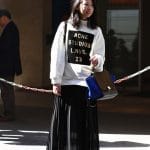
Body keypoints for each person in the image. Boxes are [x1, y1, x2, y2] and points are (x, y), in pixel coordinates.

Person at [47, 0, 105, 149]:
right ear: (77, 5)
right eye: (85, 4)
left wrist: (97, 60)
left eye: (91, 5)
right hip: (67, 85)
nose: (88, 8)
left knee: (84, 128)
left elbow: (100, 55)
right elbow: (57, 55)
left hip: (87, 87)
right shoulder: (65, 26)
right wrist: (56, 80)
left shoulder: (96, 30)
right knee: (66, 129)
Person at [0, 9, 22, 121]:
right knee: (6, 90)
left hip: (7, 66)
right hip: (7, 65)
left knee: (7, 90)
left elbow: (6, 48)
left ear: (4, 17)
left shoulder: (11, 29)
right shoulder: (10, 28)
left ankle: (9, 114)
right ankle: (8, 112)